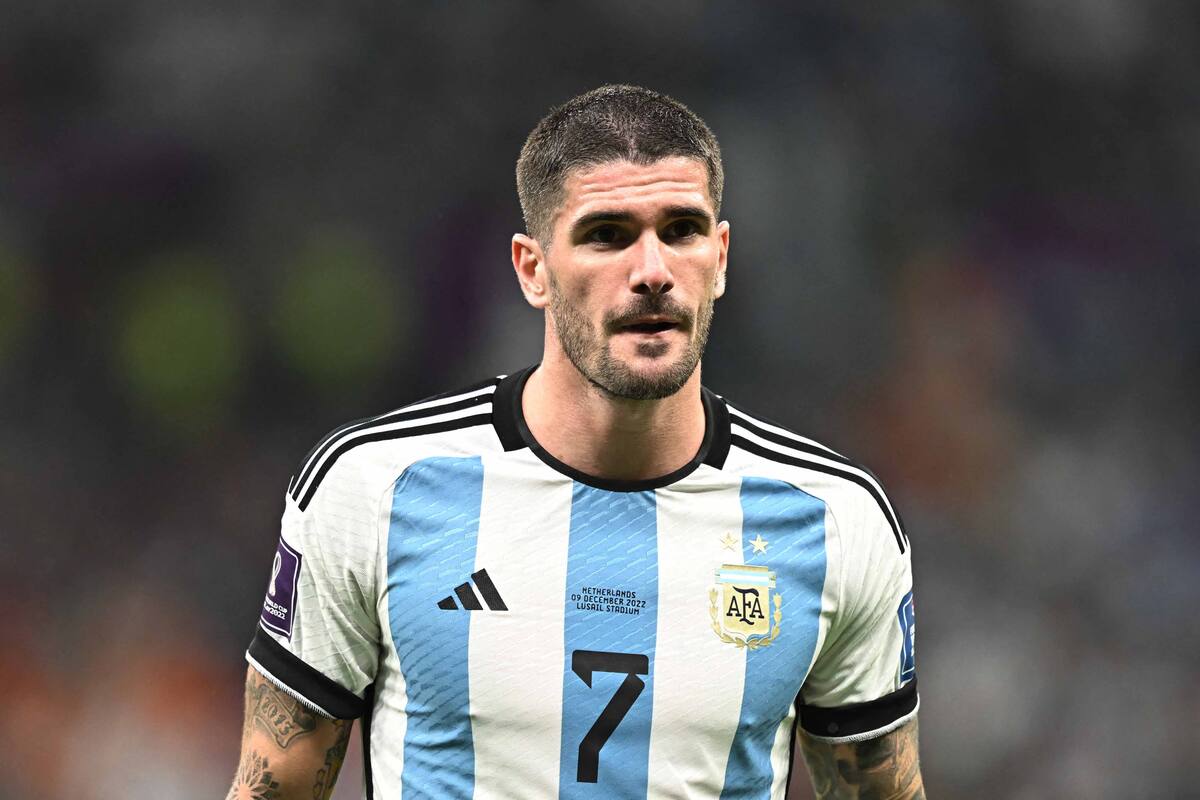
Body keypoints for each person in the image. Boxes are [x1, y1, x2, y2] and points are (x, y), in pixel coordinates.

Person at [227, 84, 925, 800]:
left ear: (719, 258)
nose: (652, 271)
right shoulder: (372, 487)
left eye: (681, 229)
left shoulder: (836, 520)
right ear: (533, 269)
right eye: (607, 235)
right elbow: (275, 781)